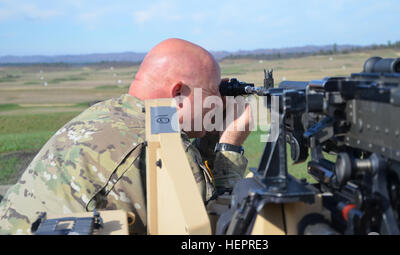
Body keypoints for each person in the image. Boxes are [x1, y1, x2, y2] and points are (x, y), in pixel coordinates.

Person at [0, 38, 251, 234]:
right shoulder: (158, 147)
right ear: (177, 93)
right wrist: (230, 146)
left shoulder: (102, 114)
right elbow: (213, 229)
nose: (219, 102)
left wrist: (210, 138)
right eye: (213, 92)